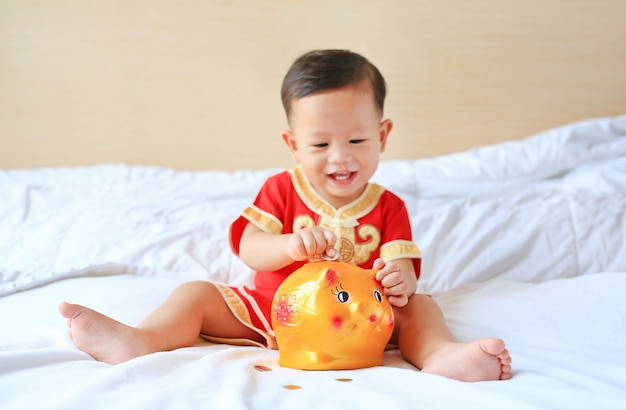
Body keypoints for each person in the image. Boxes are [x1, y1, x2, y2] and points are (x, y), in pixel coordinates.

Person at [59, 49, 511, 382]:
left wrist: (400, 280)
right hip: (276, 311)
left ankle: (440, 355)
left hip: (361, 321)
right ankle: (142, 340)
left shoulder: (388, 205)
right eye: (319, 144)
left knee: (421, 306)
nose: (340, 158)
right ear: (293, 145)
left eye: (357, 141)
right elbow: (249, 246)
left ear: (383, 135)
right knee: (197, 293)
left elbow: (403, 265)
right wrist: (287, 246)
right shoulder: (281, 189)